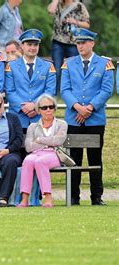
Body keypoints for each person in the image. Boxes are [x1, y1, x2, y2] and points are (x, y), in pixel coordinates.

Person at [60, 28, 114, 206]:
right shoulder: (68, 63)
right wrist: (78, 107)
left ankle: (96, 197)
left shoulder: (104, 63)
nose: (80, 46)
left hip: (95, 118)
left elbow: (106, 90)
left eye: (84, 42)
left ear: (92, 43)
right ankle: (73, 196)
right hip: (74, 118)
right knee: (73, 158)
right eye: (78, 43)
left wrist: (89, 108)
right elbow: (65, 90)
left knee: (95, 158)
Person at [18, 94, 67, 208]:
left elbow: (58, 141)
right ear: (39, 110)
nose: (48, 110)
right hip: (36, 154)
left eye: (51, 107)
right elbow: (29, 147)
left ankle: (48, 198)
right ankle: (24, 199)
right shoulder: (33, 127)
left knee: (41, 161)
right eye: (44, 108)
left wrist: (39, 140)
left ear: (55, 108)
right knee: (27, 160)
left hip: (55, 154)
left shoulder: (62, 124)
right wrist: (48, 143)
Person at [5, 29, 56, 132]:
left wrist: (36, 106)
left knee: (41, 148)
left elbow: (50, 91)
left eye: (35, 45)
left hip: (40, 117)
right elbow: (9, 91)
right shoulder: (11, 66)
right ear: (22, 46)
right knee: (18, 148)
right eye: (29, 44)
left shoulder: (48, 66)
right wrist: (24, 107)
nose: (32, 48)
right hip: (18, 117)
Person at [47, 0, 90, 94]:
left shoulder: (79, 6)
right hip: (58, 41)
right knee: (56, 69)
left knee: (74, 69)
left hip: (73, 43)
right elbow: (50, 11)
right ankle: (53, 94)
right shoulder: (57, 4)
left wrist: (75, 22)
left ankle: (75, 93)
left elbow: (87, 24)